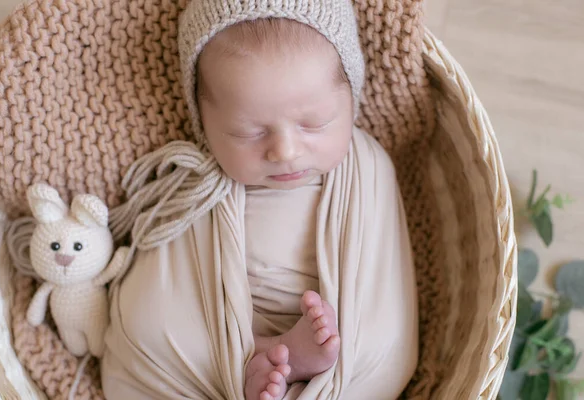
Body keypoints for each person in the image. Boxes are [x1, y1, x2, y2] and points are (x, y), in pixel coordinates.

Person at [101, 1, 419, 399]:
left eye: (313, 124)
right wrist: (237, 342)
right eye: (247, 132)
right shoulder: (194, 181)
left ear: (351, 100)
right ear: (204, 122)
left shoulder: (369, 169)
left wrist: (355, 338)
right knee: (148, 320)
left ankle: (291, 368)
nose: (284, 151)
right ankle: (262, 360)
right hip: (209, 330)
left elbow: (384, 282)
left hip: (332, 323)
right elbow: (161, 260)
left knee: (379, 335)